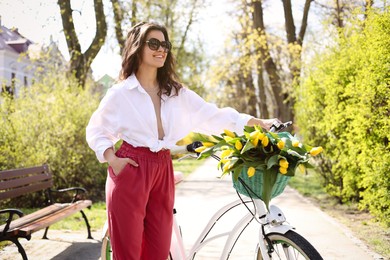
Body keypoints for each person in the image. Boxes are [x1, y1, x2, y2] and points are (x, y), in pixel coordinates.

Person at [86, 21, 281, 260]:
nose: (161, 49)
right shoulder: (120, 93)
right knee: (128, 253)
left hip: (162, 167)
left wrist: (256, 122)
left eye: (165, 44)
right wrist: (112, 159)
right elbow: (96, 129)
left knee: (158, 251)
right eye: (154, 43)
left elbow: (213, 114)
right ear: (137, 47)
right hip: (131, 168)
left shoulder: (175, 93)